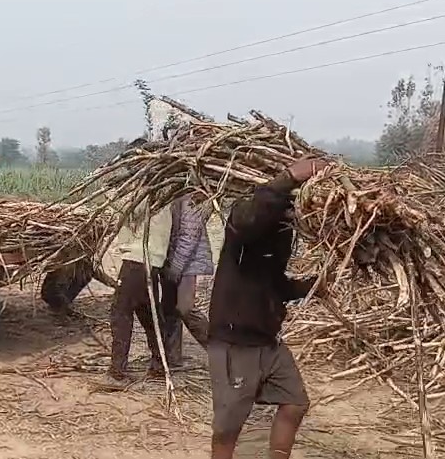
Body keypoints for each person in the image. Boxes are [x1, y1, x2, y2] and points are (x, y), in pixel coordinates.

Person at [208, 156, 328, 459]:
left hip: (267, 341)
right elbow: (250, 222)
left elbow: (273, 283)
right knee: (229, 427)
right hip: (237, 344)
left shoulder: (281, 229)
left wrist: (312, 286)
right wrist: (288, 177)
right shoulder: (243, 216)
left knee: (295, 401)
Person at [101, 197, 173, 388]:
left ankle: (117, 372)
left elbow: (128, 207)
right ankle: (159, 364)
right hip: (151, 261)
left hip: (137, 259)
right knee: (149, 315)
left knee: (120, 313)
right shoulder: (165, 194)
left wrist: (110, 195)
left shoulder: (149, 193)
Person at [159, 195, 213, 368]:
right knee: (169, 308)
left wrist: (176, 266)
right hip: (168, 260)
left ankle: (221, 350)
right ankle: (172, 357)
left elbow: (188, 236)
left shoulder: (190, 198)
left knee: (185, 307)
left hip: (187, 263)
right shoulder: (170, 195)